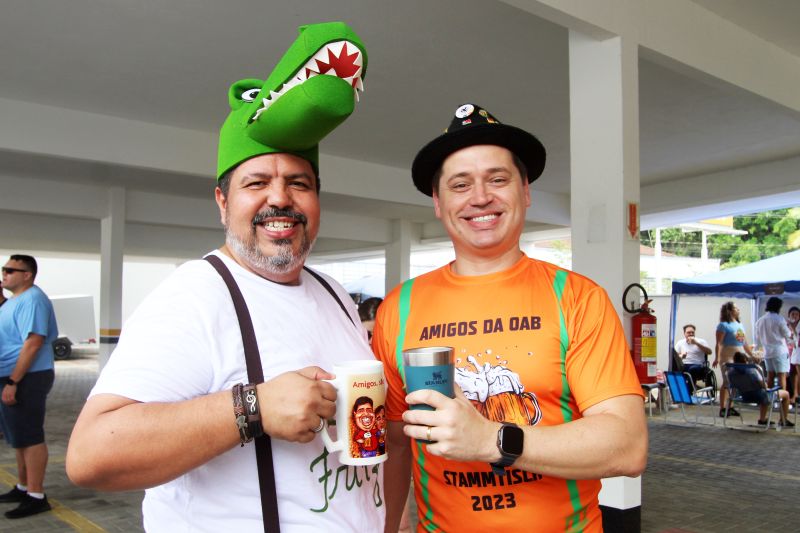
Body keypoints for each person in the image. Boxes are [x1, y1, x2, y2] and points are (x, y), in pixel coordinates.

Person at [66, 22, 384, 531]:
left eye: (299, 183)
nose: (280, 199)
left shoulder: (333, 292)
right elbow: (91, 455)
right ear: (222, 201)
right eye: (256, 183)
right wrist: (253, 407)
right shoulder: (193, 295)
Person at [372, 103, 647, 532]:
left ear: (526, 191)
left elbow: (627, 446)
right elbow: (394, 443)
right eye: (460, 184)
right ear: (439, 203)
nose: (481, 196)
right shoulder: (400, 308)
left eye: (497, 179)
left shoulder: (576, 298)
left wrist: (492, 440)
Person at [0, 254, 58, 519]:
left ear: (27, 275)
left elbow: (33, 343)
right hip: (13, 376)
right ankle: (23, 487)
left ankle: (36, 496)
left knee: (30, 436)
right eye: (4, 269)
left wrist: (14, 381)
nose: (5, 273)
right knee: (19, 436)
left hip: (27, 376)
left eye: (11, 270)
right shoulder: (14, 301)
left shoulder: (33, 299)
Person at [728, 351, 792, 427]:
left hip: (744, 396)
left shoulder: (731, 372)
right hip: (759, 396)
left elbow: (731, 385)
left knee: (762, 393)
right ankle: (783, 420)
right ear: (745, 360)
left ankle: (763, 419)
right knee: (786, 394)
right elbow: (764, 386)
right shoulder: (752, 370)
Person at [713, 301, 755, 417]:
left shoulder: (739, 324)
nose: (738, 310)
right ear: (729, 311)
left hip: (739, 356)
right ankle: (722, 407)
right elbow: (719, 343)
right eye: (736, 308)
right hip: (727, 355)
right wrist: (717, 357)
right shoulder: (723, 325)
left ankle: (730, 406)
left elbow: (744, 343)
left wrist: (752, 355)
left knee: (737, 381)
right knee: (727, 381)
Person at [754, 297, 794, 403]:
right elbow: (787, 334)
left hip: (767, 352)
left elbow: (757, 337)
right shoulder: (779, 319)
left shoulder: (760, 320)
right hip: (779, 351)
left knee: (770, 377)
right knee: (782, 377)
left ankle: (768, 401)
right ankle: (783, 402)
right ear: (778, 307)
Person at [787, 306, 800, 403]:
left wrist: (792, 327)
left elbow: (797, 336)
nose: (795, 316)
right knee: (793, 373)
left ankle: (797, 395)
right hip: (792, 352)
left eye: (797, 314)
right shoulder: (787, 325)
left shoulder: (796, 325)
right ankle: (795, 394)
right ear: (789, 315)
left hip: (798, 351)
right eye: (792, 314)